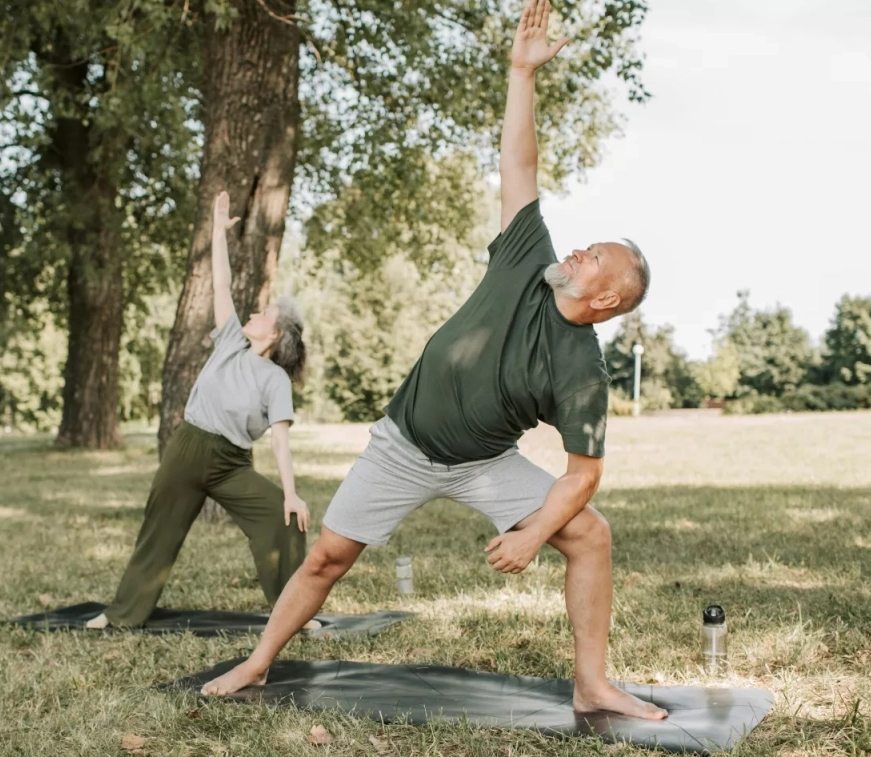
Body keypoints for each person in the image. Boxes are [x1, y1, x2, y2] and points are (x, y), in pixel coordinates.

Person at [202, 0, 663, 719]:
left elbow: (584, 474)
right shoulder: (527, 256)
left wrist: (534, 531)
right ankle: (258, 664)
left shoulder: (582, 368)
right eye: (586, 242)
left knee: (589, 533)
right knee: (326, 557)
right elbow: (519, 159)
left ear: (605, 300)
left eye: (594, 256)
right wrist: (521, 73)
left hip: (481, 461)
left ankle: (592, 683)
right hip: (404, 443)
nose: (578, 249)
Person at [86, 190, 310, 630]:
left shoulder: (275, 380)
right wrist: (217, 230)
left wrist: (290, 492)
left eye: (262, 313)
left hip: (231, 464)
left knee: (282, 519)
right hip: (188, 449)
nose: (252, 311)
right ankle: (122, 615)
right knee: (159, 531)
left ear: (276, 334)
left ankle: (294, 616)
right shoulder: (229, 340)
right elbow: (221, 283)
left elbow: (280, 441)